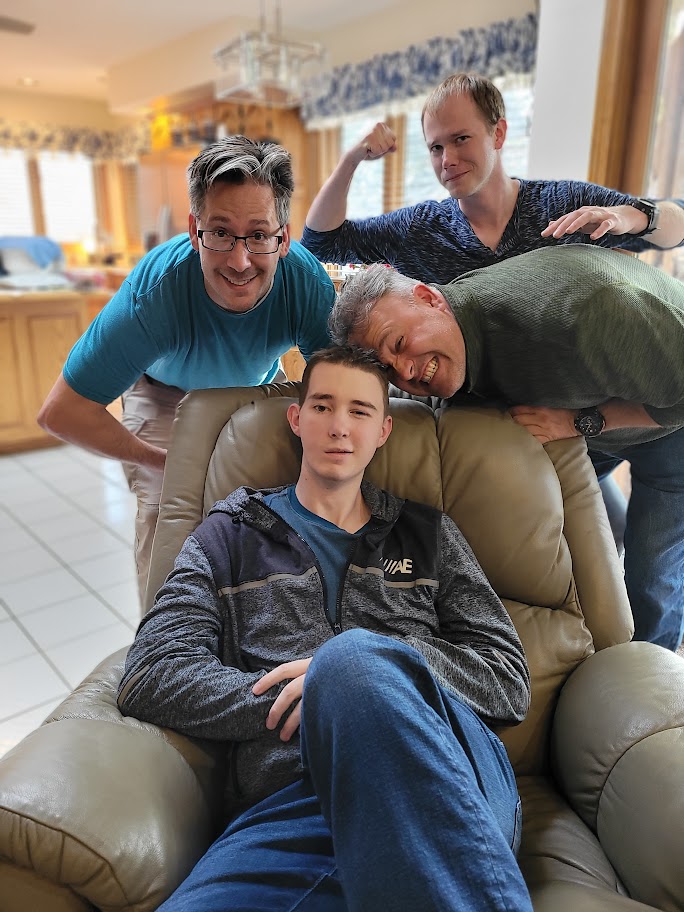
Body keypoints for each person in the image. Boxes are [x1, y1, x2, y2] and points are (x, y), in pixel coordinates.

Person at [116, 345, 533, 912]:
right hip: (292, 806)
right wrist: (310, 696)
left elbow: (507, 678)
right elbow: (151, 673)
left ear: (383, 431)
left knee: (353, 659)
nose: (340, 426)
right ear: (297, 418)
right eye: (323, 406)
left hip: (446, 774)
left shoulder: (427, 533)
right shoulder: (228, 536)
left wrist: (376, 670)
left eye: (360, 411)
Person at [328, 248, 684, 653]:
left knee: (653, 576)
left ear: (429, 298)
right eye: (389, 368)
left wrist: (583, 422)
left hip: (670, 422)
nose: (406, 370)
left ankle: (655, 672)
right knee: (597, 529)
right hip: (591, 397)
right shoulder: (449, 334)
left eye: (400, 342)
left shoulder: (580, 315)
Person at [37, 135, 335, 603]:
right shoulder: (155, 296)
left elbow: (341, 387)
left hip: (256, 382)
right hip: (163, 392)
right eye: (221, 233)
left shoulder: (307, 284)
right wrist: (163, 461)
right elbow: (61, 412)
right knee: (170, 518)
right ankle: (163, 636)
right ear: (195, 231)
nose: (240, 261)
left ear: (283, 237)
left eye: (259, 235)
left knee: (273, 509)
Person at [302, 72, 684, 283]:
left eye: (461, 139)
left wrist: (632, 216)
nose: (447, 160)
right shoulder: (418, 229)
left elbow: (679, 225)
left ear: (498, 134)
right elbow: (321, 243)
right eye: (436, 148)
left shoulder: (565, 205)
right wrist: (351, 159)